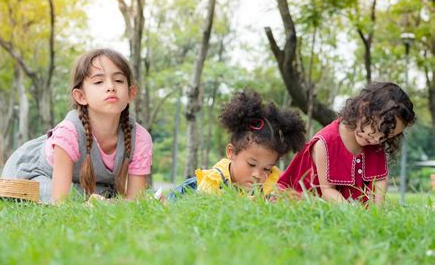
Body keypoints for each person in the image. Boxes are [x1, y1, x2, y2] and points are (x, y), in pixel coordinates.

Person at [2, 49, 152, 203]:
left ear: (131, 93)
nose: (111, 87)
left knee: (100, 196)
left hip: (85, 183)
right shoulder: (69, 132)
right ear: (81, 96)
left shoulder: (139, 138)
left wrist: (110, 203)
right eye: (99, 82)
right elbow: (60, 200)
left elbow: (135, 200)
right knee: (72, 197)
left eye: (119, 80)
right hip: (38, 173)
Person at [278, 82, 416, 205]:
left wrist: (377, 212)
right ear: (364, 109)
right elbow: (327, 191)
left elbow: (380, 180)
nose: (377, 139)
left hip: (351, 206)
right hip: (310, 201)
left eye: (386, 136)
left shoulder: (375, 143)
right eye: (378, 129)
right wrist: (351, 214)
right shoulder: (326, 143)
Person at [170, 89, 306, 199]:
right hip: (186, 195)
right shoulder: (214, 180)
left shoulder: (270, 178)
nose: (258, 174)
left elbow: (277, 196)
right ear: (231, 152)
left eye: (266, 169)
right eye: (252, 164)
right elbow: (208, 211)